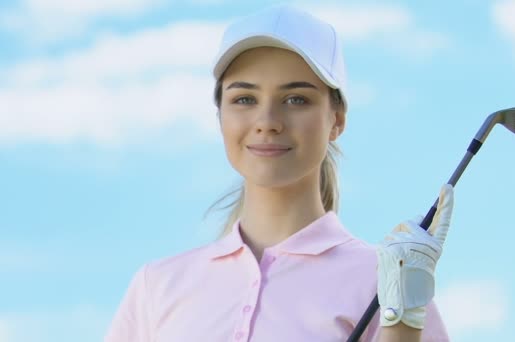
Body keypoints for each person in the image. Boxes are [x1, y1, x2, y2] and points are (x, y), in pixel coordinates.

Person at [105, 5, 454, 342]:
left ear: (337, 120)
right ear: (220, 116)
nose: (268, 122)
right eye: (244, 99)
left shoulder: (387, 283)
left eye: (296, 99)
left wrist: (403, 319)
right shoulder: (158, 286)